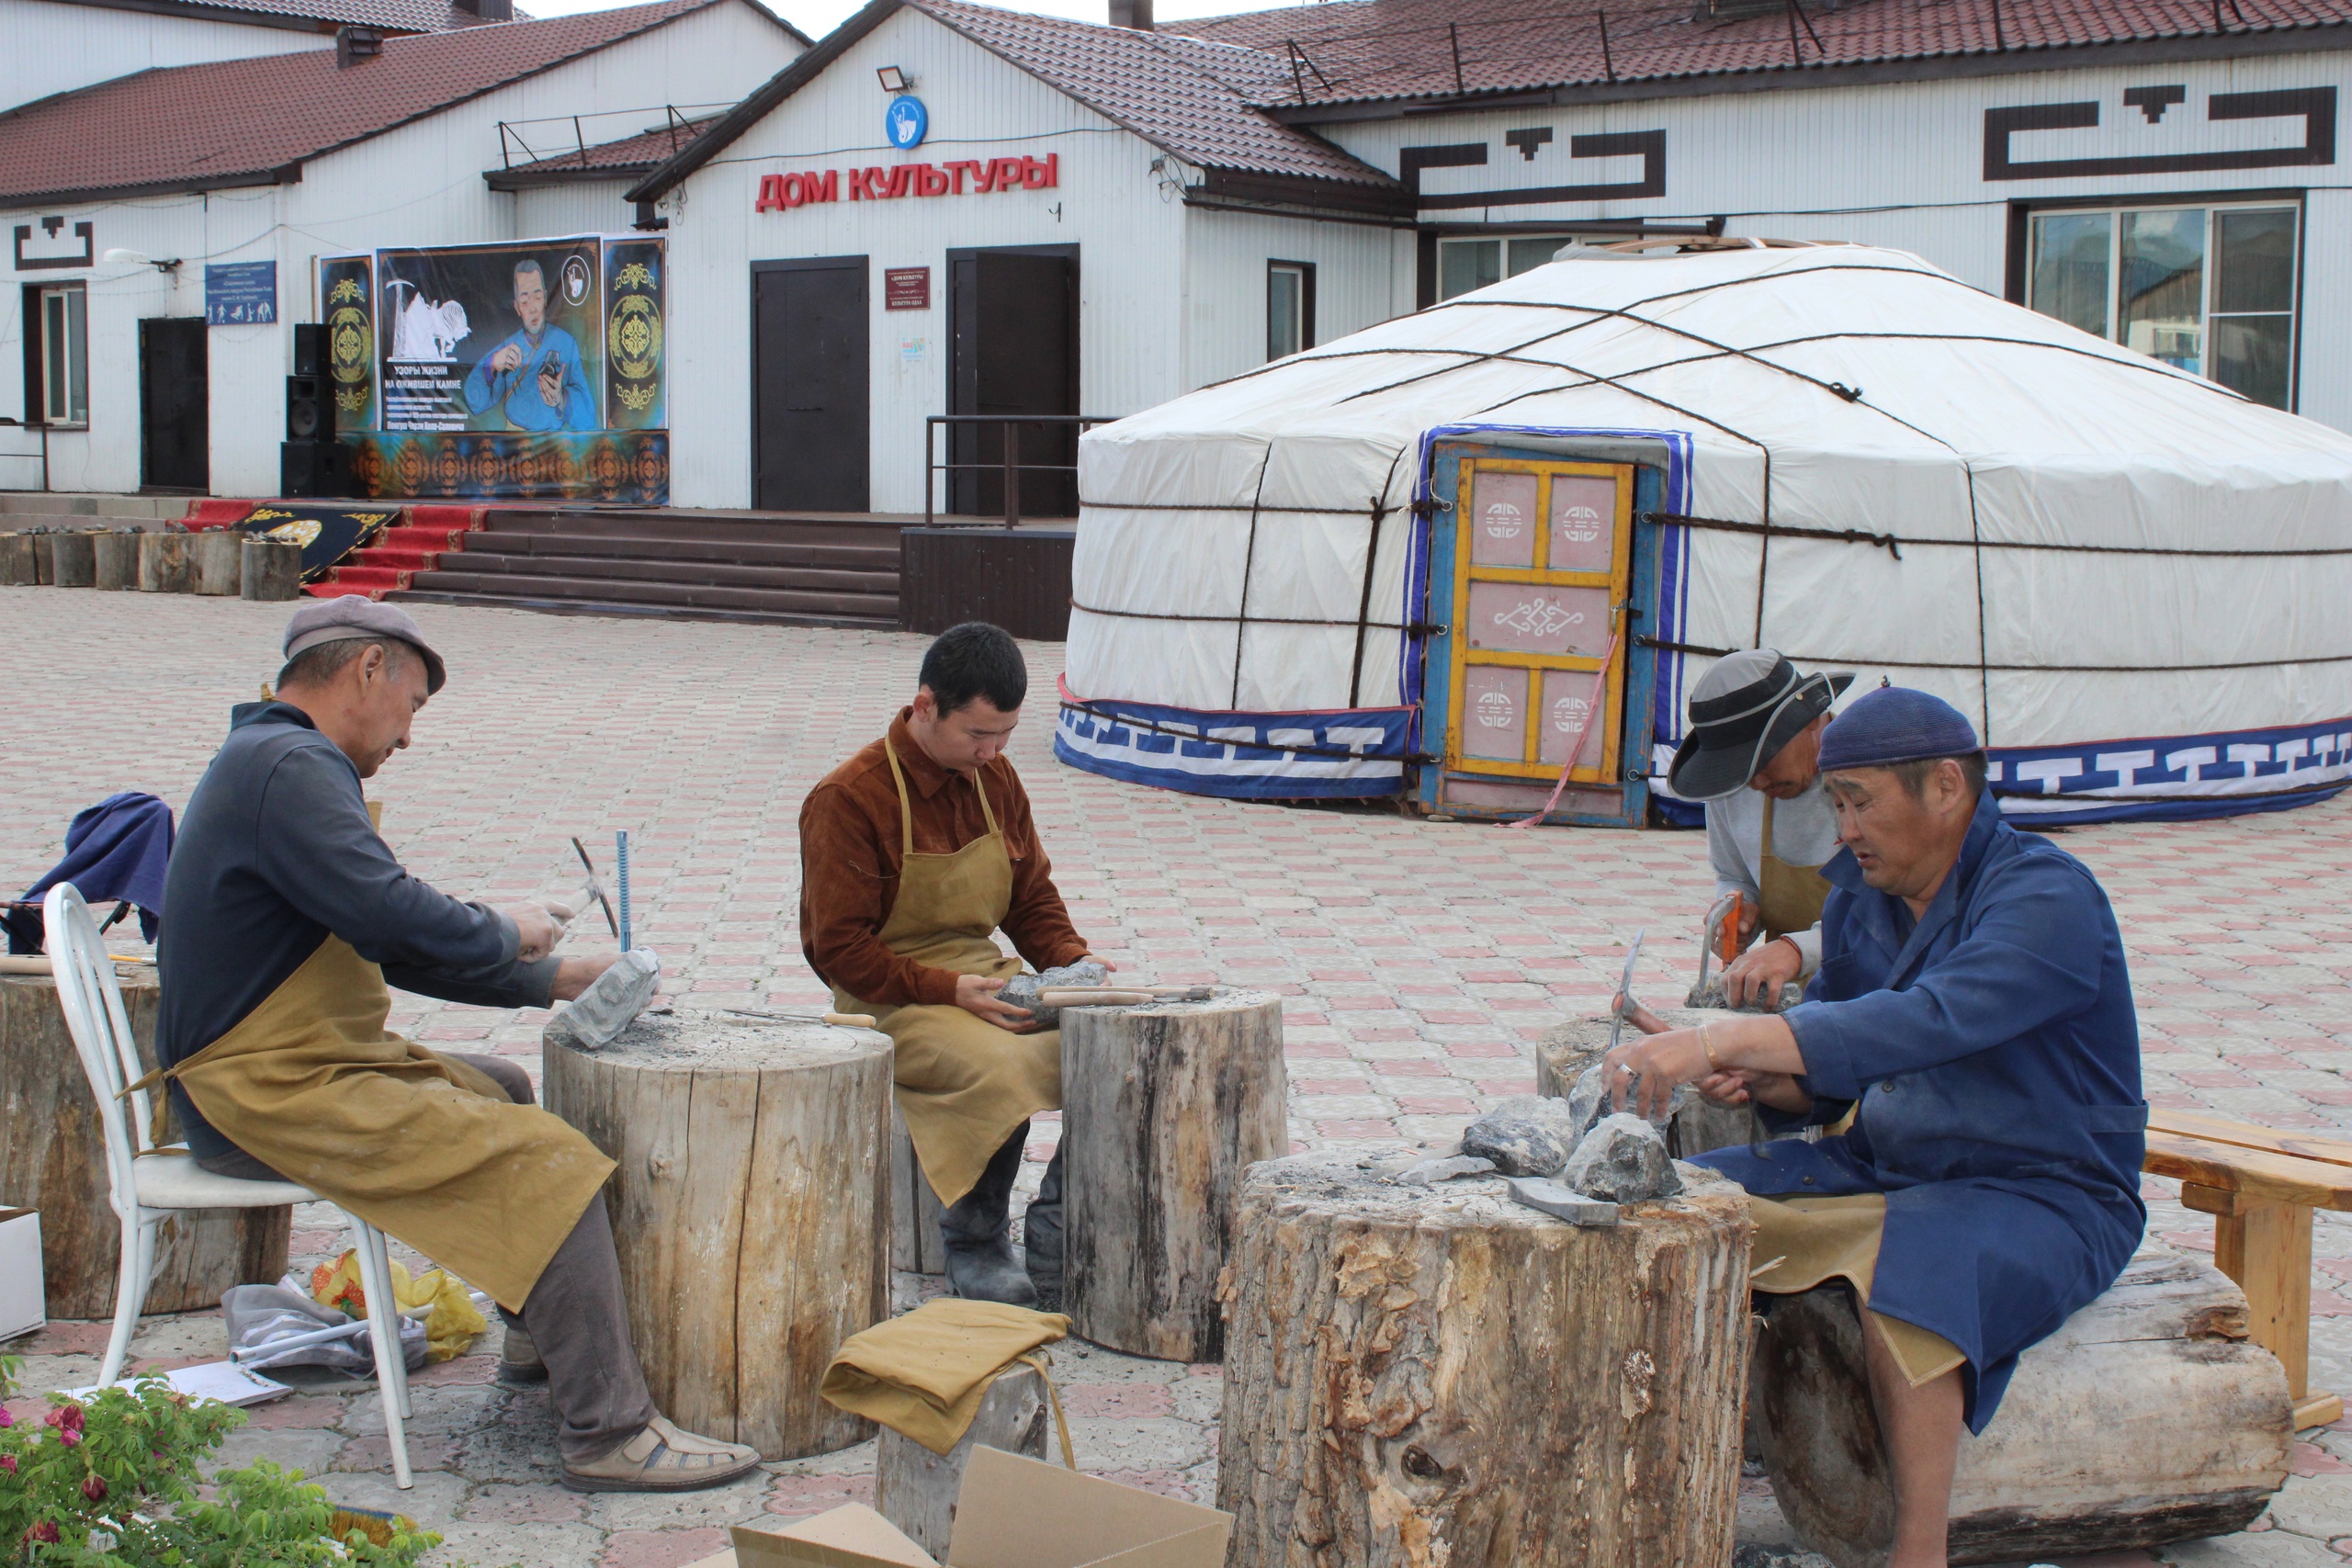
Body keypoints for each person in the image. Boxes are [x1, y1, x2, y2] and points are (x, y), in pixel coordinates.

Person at [152, 597, 759, 1494]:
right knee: (547, 1159)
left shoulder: (277, 760)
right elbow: (389, 911)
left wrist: (548, 979)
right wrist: (501, 927)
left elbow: (386, 943)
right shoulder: (286, 765)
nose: (407, 738)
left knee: (503, 1085)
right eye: (413, 707)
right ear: (367, 669)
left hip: (288, 1066)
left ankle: (537, 1345)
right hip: (255, 1092)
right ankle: (610, 1432)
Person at [1604, 687, 2145, 1568]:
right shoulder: (1862, 898)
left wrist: (1717, 1039)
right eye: (1837, 804)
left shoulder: (2048, 896)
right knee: (1688, 1203)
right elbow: (1838, 1065)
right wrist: (1773, 1082)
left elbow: (1927, 1020)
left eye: (1859, 802)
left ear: (1944, 786)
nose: (1844, 828)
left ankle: (1917, 1554)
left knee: (1924, 1254)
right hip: (1887, 1163)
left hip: (2050, 1190)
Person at [798, 623, 1101, 1308]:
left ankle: (1054, 1227)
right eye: (978, 735)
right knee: (1000, 1065)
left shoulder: (992, 775)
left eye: (1005, 735)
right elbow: (836, 950)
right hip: (887, 993)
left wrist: (1075, 963)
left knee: (1115, 1039)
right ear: (926, 706)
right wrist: (945, 989)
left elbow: (1031, 898)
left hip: (978, 973)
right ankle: (975, 1239)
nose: (992, 751)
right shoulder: (850, 797)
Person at [1666, 649, 1852, 1009]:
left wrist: (1797, 949)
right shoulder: (1738, 787)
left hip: (1877, 988)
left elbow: (1892, 912)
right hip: (1784, 989)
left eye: (1763, 760)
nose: (1755, 783)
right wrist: (1736, 908)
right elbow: (1732, 873)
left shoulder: (1871, 776)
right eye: (1739, 770)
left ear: (1811, 720)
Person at [462, 259, 595, 432]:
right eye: (524, 302)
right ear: (517, 307)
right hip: (513, 442)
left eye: (537, 297)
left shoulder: (566, 343)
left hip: (553, 445)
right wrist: (492, 365)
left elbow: (588, 416)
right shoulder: (509, 347)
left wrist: (561, 400)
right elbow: (474, 401)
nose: (532, 308)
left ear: (546, 299)